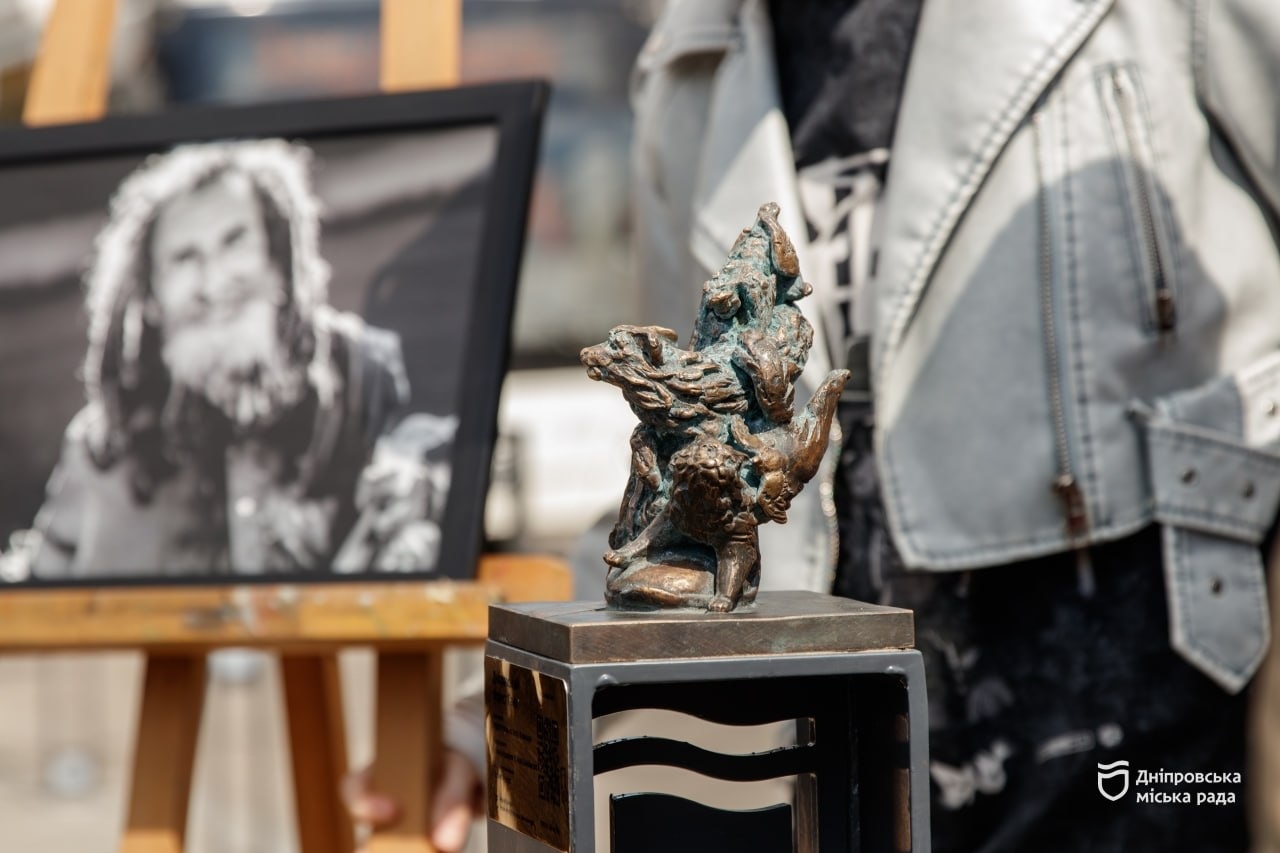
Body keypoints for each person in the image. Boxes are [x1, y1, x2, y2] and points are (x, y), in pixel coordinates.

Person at [0, 140, 450, 580]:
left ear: (276, 256)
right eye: (185, 258)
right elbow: (34, 588)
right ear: (151, 296)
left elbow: (442, 461)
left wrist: (420, 493)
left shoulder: (361, 373)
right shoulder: (105, 447)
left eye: (235, 241)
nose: (214, 282)